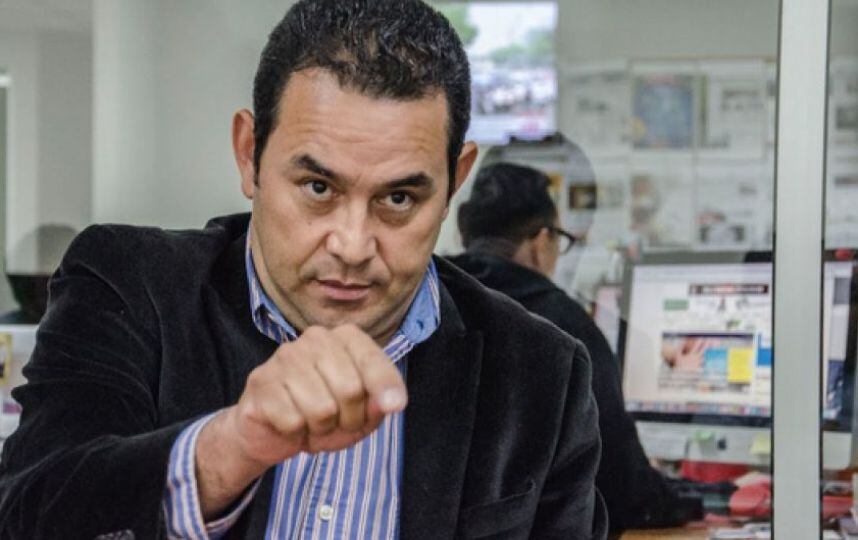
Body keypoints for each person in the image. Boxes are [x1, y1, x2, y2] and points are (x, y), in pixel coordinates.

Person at [0, 1, 608, 538]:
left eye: (399, 198)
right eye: (318, 187)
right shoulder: (131, 286)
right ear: (249, 154)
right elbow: (28, 510)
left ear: (455, 182)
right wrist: (230, 448)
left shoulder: (540, 374)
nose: (352, 245)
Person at [450, 161, 703, 533]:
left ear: (463, 232)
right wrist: (701, 500)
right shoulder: (561, 327)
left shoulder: (438, 304)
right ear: (542, 242)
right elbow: (622, 484)